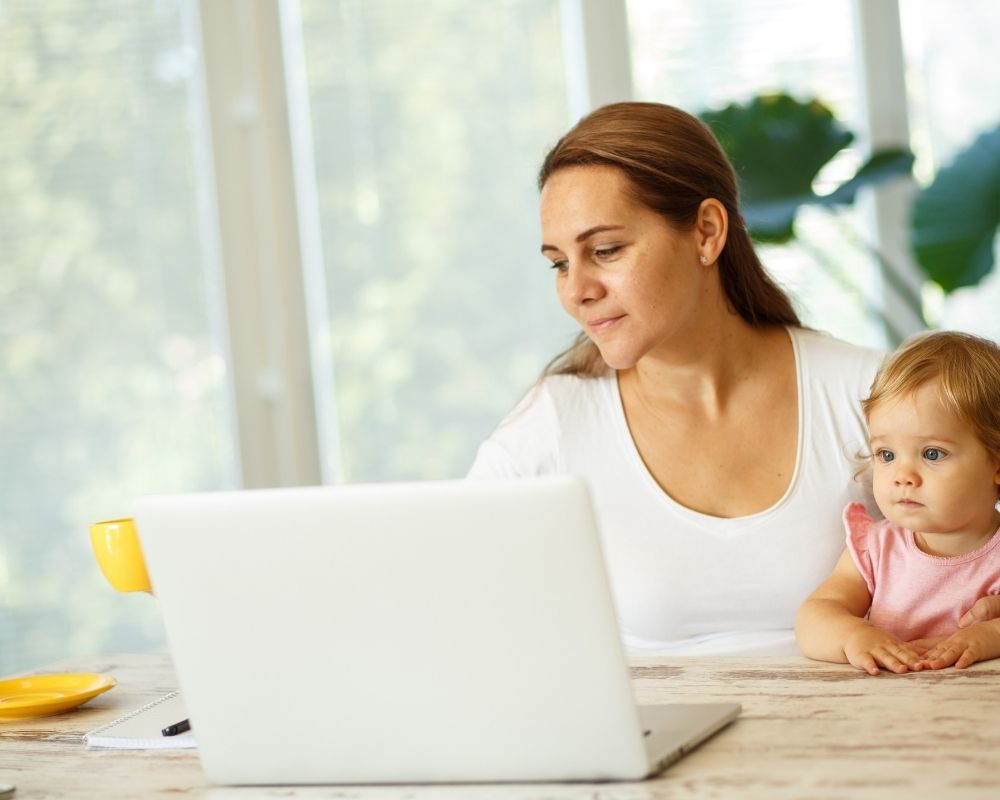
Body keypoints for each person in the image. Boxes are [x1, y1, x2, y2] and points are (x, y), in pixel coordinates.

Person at [467, 101, 890, 655]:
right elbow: (458, 611)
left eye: (606, 250)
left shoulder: (866, 394)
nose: (576, 291)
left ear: (707, 232)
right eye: (559, 263)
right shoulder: (552, 427)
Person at [796, 331, 1000, 674]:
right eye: (886, 454)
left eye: (932, 453)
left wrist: (990, 634)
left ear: (996, 463)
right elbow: (814, 617)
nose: (902, 475)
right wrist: (853, 636)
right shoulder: (877, 548)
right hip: (887, 709)